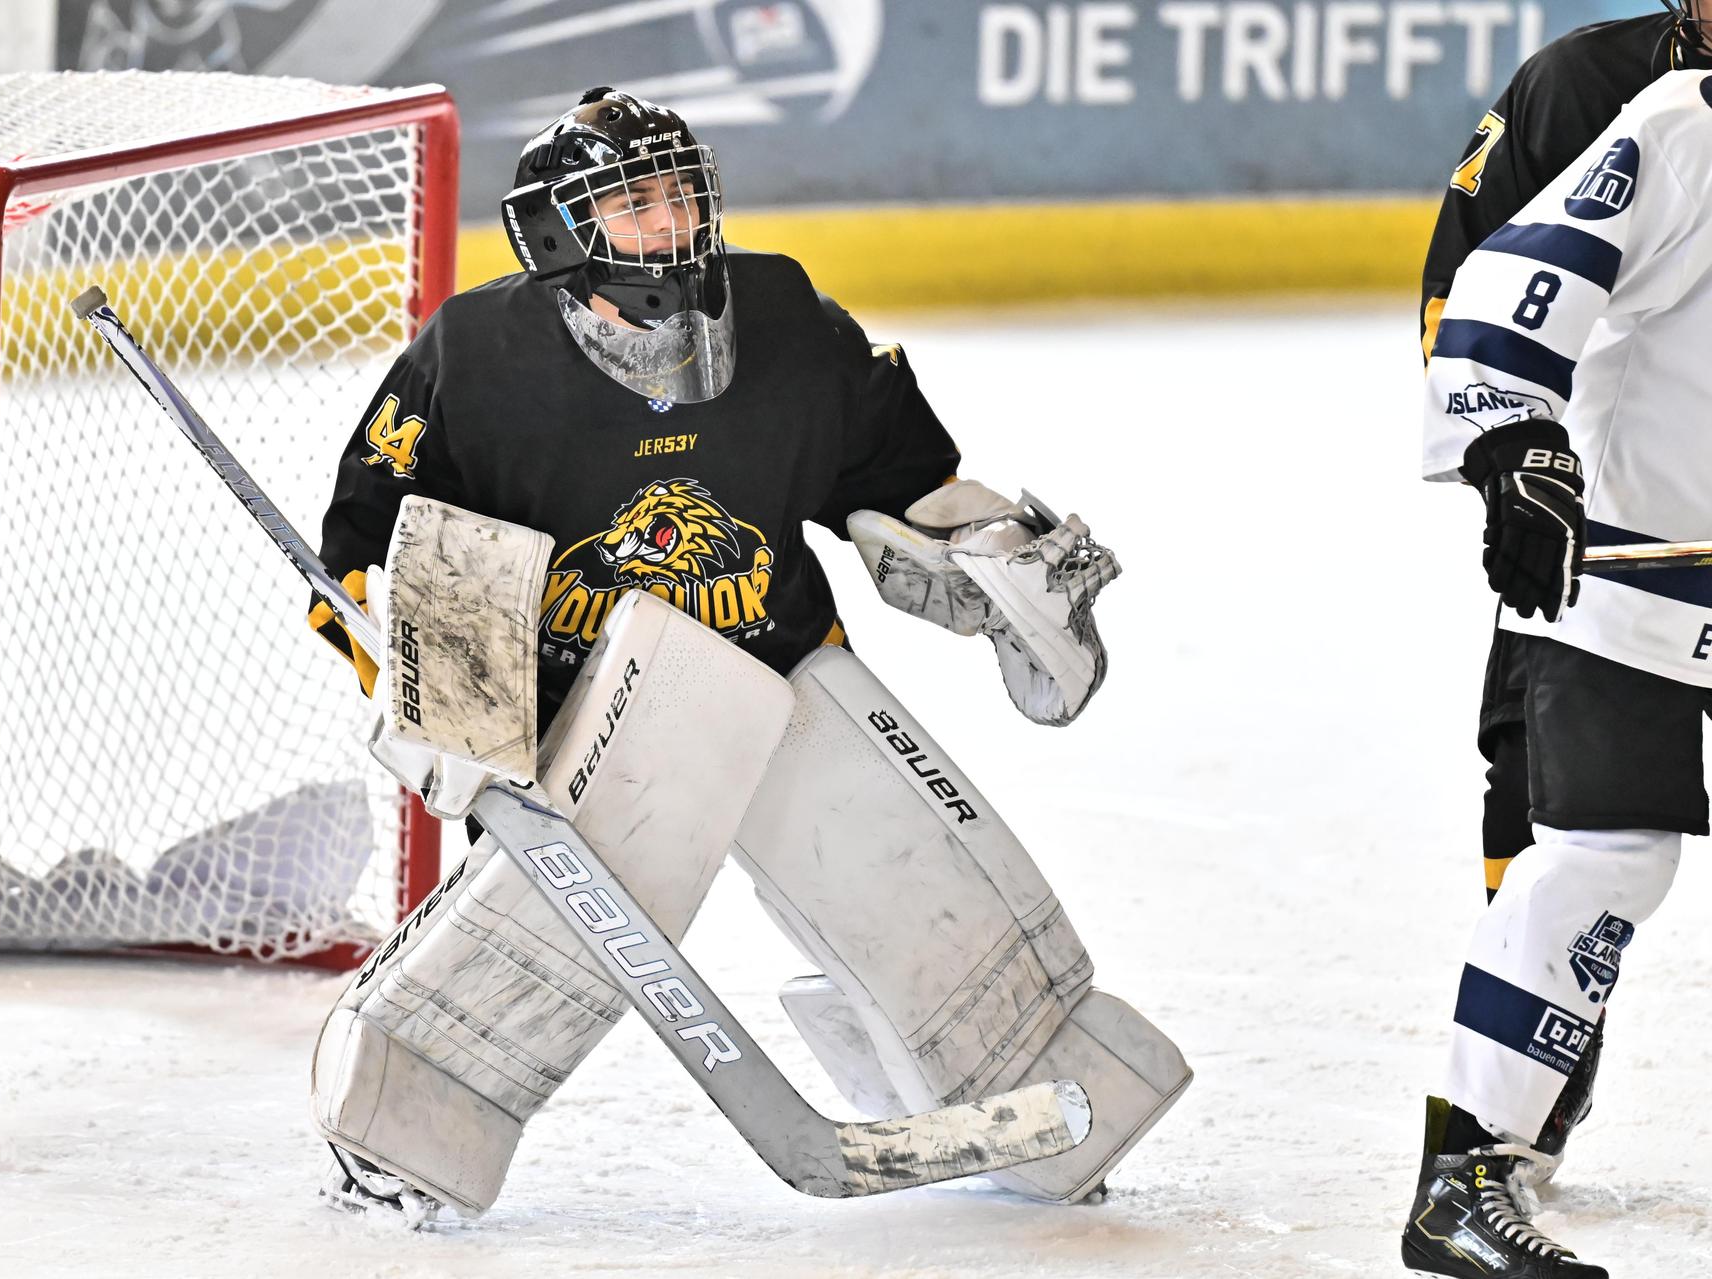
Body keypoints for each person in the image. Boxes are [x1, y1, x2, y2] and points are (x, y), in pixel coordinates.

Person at [302, 87, 1191, 1222]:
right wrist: (445, 699)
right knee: (538, 939)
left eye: (680, 193)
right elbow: (374, 553)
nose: (670, 223)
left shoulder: (781, 317)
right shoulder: (475, 357)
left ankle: (1029, 1103)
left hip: (779, 665)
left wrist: (996, 557)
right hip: (590, 713)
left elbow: (901, 482)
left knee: (926, 889)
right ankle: (401, 1125)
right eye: (632, 203)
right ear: (562, 232)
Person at [1406, 66, 1712, 1278]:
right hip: (1643, 564)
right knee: (1603, 856)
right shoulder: (1686, 125)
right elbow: (1514, 277)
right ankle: (1467, 1176)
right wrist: (1517, 440)